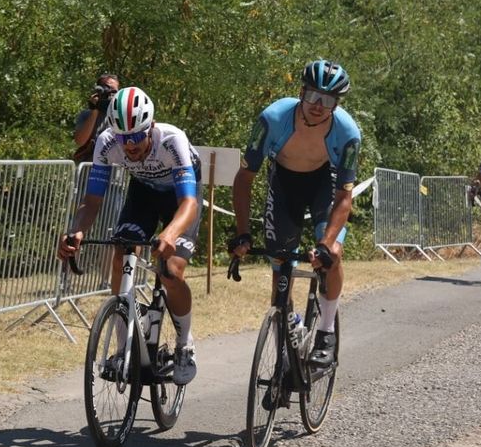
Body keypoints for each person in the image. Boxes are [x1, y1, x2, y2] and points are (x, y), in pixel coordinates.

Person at [57, 86, 201, 385]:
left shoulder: (172, 140)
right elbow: (92, 201)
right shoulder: (107, 142)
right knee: (121, 252)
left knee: (171, 270)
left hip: (180, 196)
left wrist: (171, 232)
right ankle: (123, 350)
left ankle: (185, 344)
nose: (130, 145)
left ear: (151, 126)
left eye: (136, 136)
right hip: (143, 194)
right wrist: (77, 230)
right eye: (123, 138)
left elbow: (188, 203)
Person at [228, 59, 361, 370]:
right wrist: (242, 231)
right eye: (313, 96)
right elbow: (244, 178)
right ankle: (288, 330)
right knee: (280, 265)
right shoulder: (273, 118)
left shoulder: (348, 133)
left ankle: (326, 332)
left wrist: (327, 244)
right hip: (283, 183)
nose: (318, 105)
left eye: (328, 100)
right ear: (301, 92)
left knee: (332, 254)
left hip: (324, 186)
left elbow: (344, 196)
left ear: (336, 104)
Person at [72, 74, 120, 163]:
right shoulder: (86, 115)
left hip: (113, 170)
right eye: (108, 89)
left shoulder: (121, 116)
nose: (111, 94)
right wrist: (95, 109)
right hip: (89, 169)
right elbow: (80, 141)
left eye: (114, 91)